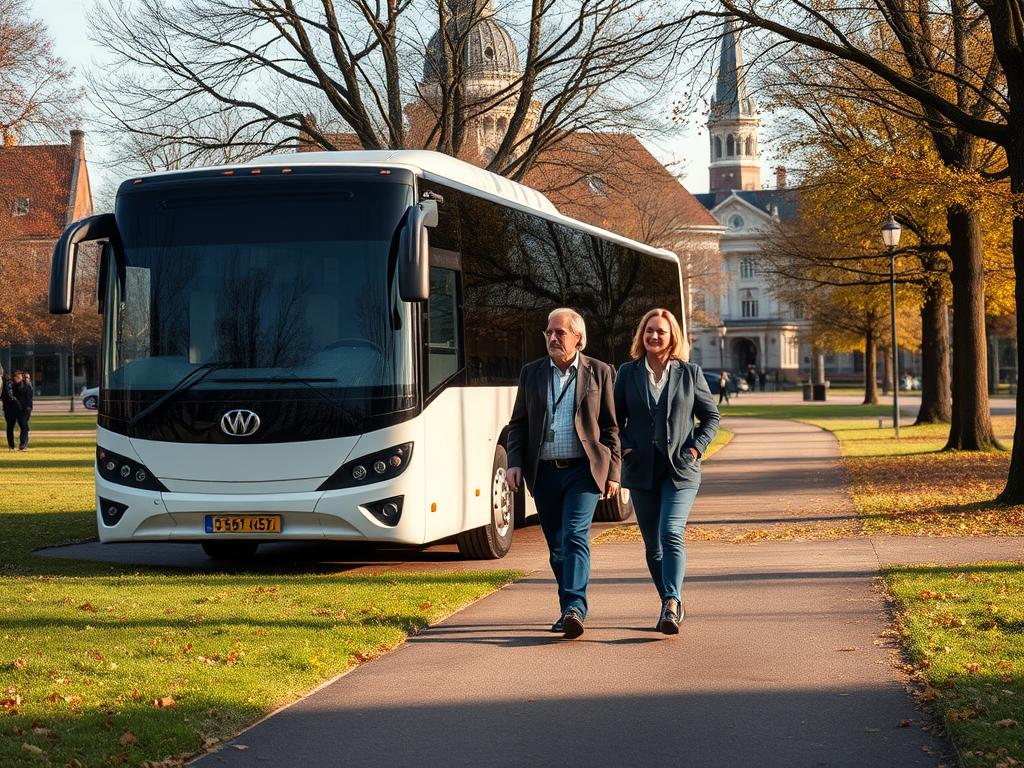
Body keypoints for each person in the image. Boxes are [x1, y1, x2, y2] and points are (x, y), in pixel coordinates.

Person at [505, 308, 620, 639]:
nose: (553, 338)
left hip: (583, 471)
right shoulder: (532, 373)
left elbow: (611, 427)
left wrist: (614, 471)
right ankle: (568, 606)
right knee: (557, 546)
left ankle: (574, 607)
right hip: (544, 473)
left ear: (578, 338)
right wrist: (514, 462)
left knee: (574, 536)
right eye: (549, 333)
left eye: (560, 332)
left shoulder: (599, 372)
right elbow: (519, 424)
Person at [614, 308, 720, 634]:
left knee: (671, 531)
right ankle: (669, 605)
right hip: (641, 471)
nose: (654, 336)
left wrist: (694, 449)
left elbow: (711, 418)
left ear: (672, 335)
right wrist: (627, 447)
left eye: (661, 331)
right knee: (652, 546)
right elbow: (614, 421)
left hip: (681, 471)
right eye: (649, 331)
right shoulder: (627, 373)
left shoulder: (690, 373)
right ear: (641, 336)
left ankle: (671, 601)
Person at [11, 370, 32, 450]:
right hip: (18, 410)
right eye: (17, 377)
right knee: (24, 426)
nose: (19, 379)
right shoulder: (13, 386)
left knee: (23, 426)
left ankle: (23, 444)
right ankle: (23, 444)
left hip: (25, 409)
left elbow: (29, 398)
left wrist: (29, 407)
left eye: (20, 377)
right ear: (14, 378)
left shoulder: (27, 386)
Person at [1, 366, 18, 450]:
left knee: (10, 426)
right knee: (11, 426)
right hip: (10, 406)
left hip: (9, 407)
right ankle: (12, 445)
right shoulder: (6, 381)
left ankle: (12, 445)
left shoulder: (6, 381)